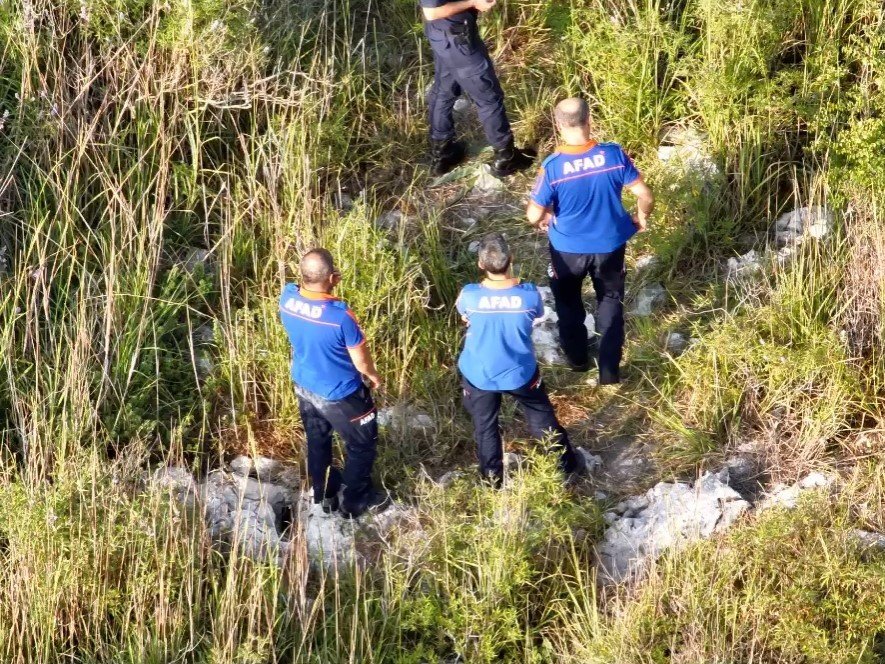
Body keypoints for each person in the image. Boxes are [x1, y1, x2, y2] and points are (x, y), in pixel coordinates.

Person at [526, 97, 655, 385]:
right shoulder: (613, 155)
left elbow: (533, 215)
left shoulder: (553, 167)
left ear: (559, 126)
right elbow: (645, 195)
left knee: (568, 301)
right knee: (609, 300)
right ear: (590, 120)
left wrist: (546, 216)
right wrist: (642, 217)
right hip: (610, 245)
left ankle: (578, 359)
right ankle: (609, 371)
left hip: (567, 249)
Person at [456, 233, 584, 486]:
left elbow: (464, 314)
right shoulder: (528, 295)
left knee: (486, 427)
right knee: (541, 416)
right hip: (519, 371)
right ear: (511, 259)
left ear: (481, 265)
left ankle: (492, 482)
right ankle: (566, 466)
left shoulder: (468, 295)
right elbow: (536, 314)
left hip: (479, 373)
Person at [278, 249, 386, 519]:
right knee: (362, 444)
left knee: (318, 440)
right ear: (333, 278)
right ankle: (355, 501)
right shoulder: (341, 317)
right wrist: (373, 376)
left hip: (304, 384)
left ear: (302, 274)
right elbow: (361, 361)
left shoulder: (287, 297)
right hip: (340, 392)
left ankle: (323, 492)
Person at [420, 0, 536, 177]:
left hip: (445, 35)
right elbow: (431, 12)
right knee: (489, 98)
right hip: (457, 40)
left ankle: (443, 153)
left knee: (444, 90)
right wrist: (473, 2)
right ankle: (505, 157)